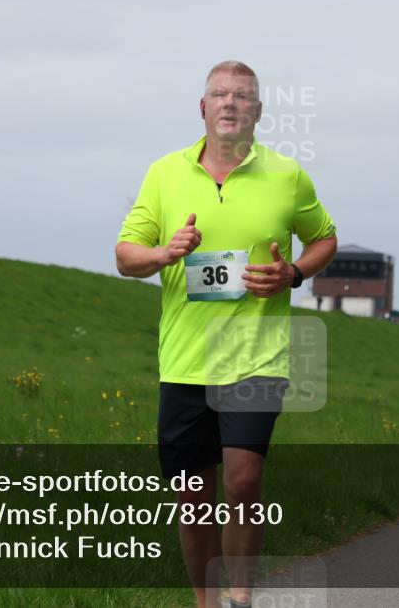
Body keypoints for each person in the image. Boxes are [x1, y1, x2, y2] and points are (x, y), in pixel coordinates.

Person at [116, 60, 337, 608]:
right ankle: (205, 601)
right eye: (220, 94)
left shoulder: (287, 177)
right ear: (203, 108)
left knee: (241, 483)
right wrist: (165, 253)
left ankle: (241, 596)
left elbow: (325, 238)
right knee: (193, 500)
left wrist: (294, 273)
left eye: (243, 96)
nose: (231, 103)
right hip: (185, 361)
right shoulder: (164, 174)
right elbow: (126, 256)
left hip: (257, 356)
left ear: (258, 111)